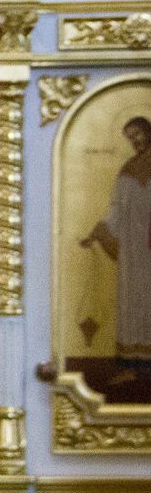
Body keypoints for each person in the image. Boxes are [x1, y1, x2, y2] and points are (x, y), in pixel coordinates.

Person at [82, 115, 151, 373]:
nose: (134, 140)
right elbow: (116, 211)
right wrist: (98, 231)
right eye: (130, 137)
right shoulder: (128, 170)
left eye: (137, 134)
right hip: (134, 247)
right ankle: (133, 358)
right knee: (134, 297)